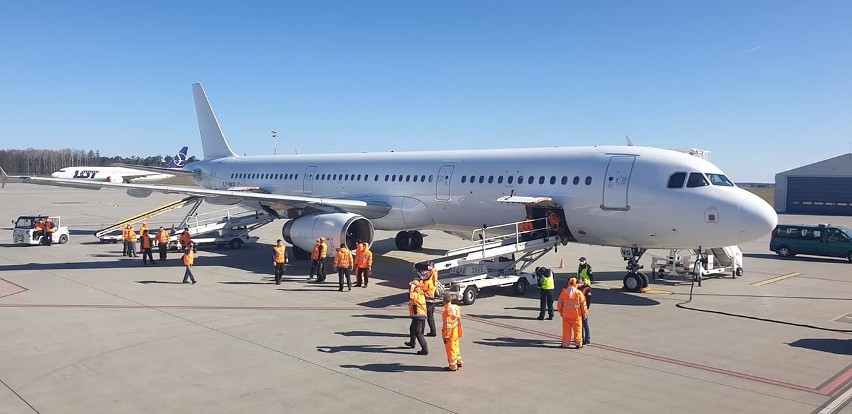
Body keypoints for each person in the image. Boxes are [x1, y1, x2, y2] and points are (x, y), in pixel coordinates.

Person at [556, 278, 587, 348]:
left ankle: (565, 344)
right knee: (578, 330)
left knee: (566, 331)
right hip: (576, 316)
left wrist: (560, 311)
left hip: (566, 315)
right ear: (575, 284)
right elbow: (583, 305)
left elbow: (559, 303)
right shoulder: (579, 293)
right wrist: (585, 314)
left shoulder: (564, 292)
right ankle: (578, 344)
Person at [405, 278, 429, 355]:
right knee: (412, 328)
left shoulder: (415, 293)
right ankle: (412, 342)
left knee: (418, 333)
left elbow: (410, 296)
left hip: (418, 316)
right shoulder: (420, 292)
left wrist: (411, 289)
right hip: (419, 315)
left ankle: (424, 349)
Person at [441, 293, 464, 371]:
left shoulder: (446, 312)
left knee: (451, 350)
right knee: (456, 347)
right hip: (456, 331)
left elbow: (447, 326)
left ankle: (453, 366)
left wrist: (446, 336)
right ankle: (459, 361)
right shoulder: (456, 308)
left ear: (444, 301)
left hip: (450, 334)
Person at [577, 256, 593, 345]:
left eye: (582, 261)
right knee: (580, 323)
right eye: (580, 261)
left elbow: (591, 276)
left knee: (585, 323)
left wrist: (587, 308)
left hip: (586, 284)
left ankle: (587, 338)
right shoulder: (580, 266)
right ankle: (580, 338)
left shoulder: (588, 267)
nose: (581, 262)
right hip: (579, 307)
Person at [421, 265, 439, 337]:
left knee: (423, 317)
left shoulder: (426, 283)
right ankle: (433, 331)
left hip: (427, 302)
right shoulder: (432, 282)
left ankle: (421, 332)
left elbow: (421, 289)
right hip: (432, 301)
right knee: (430, 317)